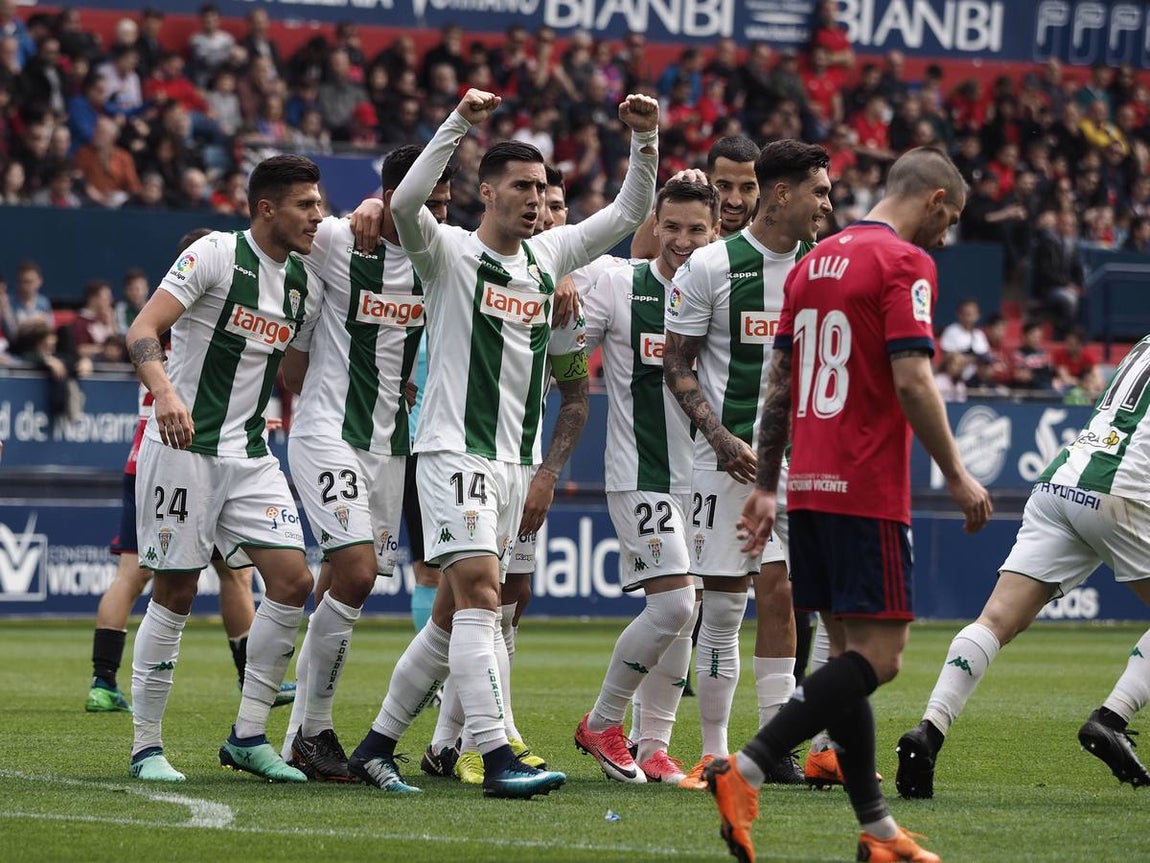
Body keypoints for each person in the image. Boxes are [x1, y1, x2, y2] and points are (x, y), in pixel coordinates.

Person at [344, 87, 659, 799]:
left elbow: (629, 213)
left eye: (542, 187)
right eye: (520, 185)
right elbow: (403, 204)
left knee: (459, 613)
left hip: (514, 462)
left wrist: (645, 140)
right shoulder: (447, 253)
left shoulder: (549, 256)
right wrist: (457, 121)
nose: (534, 197)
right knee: (486, 595)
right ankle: (497, 755)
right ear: (486, 191)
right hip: (454, 452)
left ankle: (376, 744)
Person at [708, 146, 992, 863]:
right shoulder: (903, 264)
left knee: (844, 654)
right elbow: (914, 379)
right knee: (882, 657)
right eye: (949, 219)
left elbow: (779, 386)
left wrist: (769, 485)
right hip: (867, 488)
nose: (945, 236)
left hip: (809, 488)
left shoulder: (811, 264)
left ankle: (878, 829)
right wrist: (956, 474)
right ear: (932, 200)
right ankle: (746, 767)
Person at [124, 154, 324, 783]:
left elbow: (290, 369)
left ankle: (248, 735)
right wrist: (166, 392)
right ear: (267, 208)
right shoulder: (214, 253)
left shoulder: (301, 282)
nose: (318, 216)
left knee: (293, 582)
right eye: (305, 204)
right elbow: (142, 329)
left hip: (252, 453)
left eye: (319, 204)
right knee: (176, 590)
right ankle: (146, 747)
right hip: (183, 448)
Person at [897, 332, 1150, 798]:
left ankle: (928, 731)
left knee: (994, 620)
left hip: (1062, 480)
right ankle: (1112, 718)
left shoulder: (1144, 343)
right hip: (1121, 489)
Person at [275, 146, 454, 783]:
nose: (433, 216)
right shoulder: (337, 240)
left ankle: (296, 732)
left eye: (441, 204)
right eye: (421, 202)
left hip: (390, 445)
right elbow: (281, 229)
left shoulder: (445, 256)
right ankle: (315, 726)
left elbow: (522, 248)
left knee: (342, 582)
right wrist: (367, 207)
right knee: (357, 568)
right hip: (327, 430)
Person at [663, 140, 833, 790]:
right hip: (724, 462)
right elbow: (676, 360)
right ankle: (712, 751)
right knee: (727, 603)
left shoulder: (820, 267)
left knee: (786, 594)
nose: (825, 205)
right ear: (781, 193)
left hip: (799, 461)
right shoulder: (711, 266)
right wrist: (718, 435)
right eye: (817, 192)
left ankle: (775, 748)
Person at [86, 228, 295, 715]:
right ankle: (109, 681)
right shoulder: (187, 330)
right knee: (156, 577)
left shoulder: (181, 328)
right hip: (170, 458)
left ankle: (105, 680)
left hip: (182, 456)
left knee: (197, 576)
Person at [573, 178, 719, 785]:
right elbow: (564, 335)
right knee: (675, 603)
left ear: (714, 233)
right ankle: (603, 721)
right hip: (638, 471)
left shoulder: (717, 290)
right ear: (654, 223)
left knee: (688, 612)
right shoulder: (619, 282)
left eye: (697, 230)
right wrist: (566, 286)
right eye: (673, 227)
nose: (683, 241)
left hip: (701, 475)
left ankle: (653, 743)